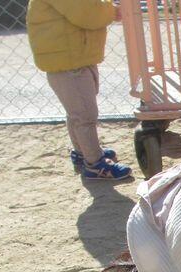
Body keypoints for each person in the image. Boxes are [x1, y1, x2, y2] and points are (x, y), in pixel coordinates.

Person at [26, 0, 132, 180]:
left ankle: (83, 152)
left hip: (74, 58)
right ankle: (94, 164)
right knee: (85, 115)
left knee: (76, 113)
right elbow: (87, 13)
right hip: (69, 63)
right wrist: (112, 11)